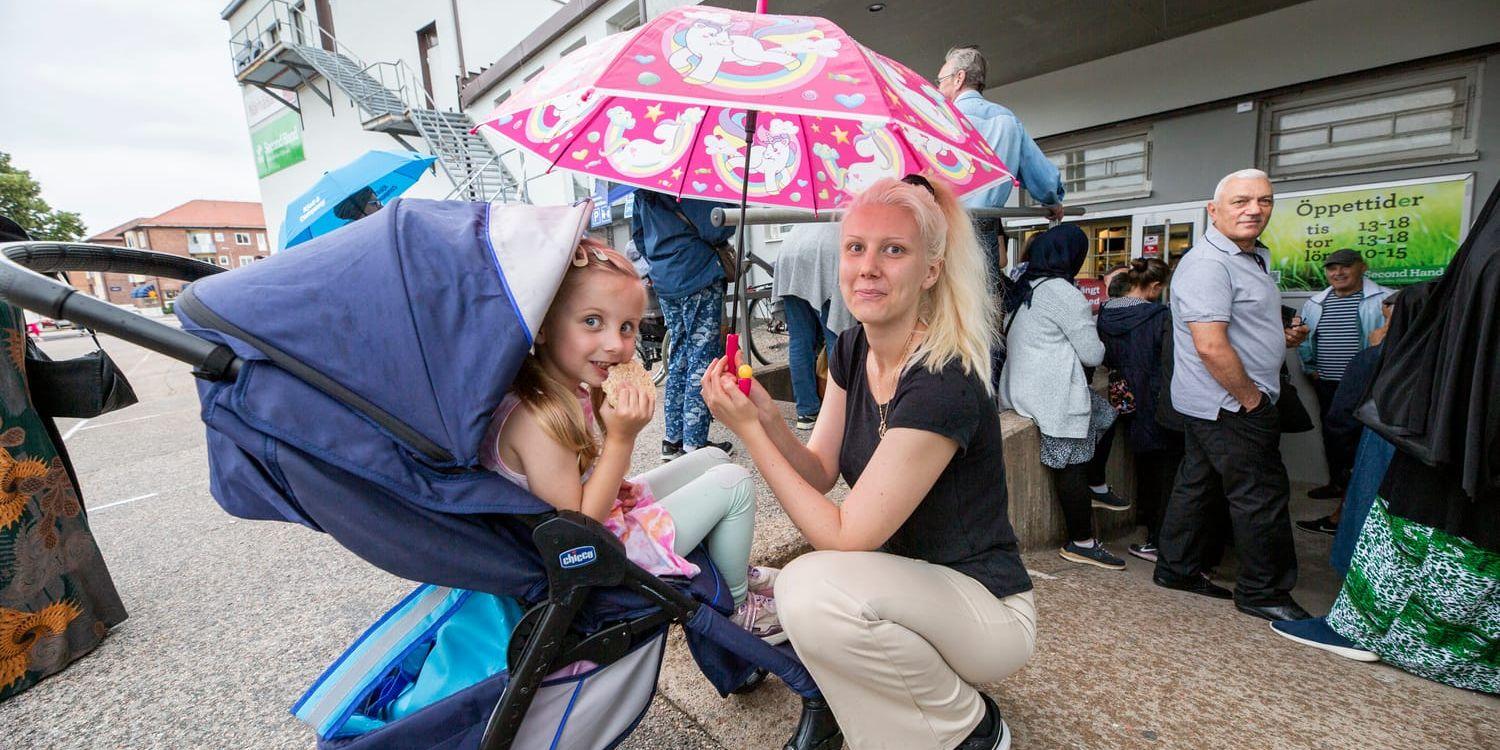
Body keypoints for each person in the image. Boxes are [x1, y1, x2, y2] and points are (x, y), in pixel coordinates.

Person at [700, 176, 1034, 750]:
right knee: (802, 594)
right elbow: (820, 470)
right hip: (905, 586)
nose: (868, 266)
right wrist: (767, 415)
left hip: (984, 606)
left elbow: (845, 535)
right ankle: (857, 714)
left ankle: (971, 727)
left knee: (809, 586)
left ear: (930, 270)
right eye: (855, 247)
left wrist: (751, 436)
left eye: (894, 250)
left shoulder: (942, 380)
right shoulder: (854, 346)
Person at [480, 238, 780, 640]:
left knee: (711, 459)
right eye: (592, 322)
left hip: (595, 524)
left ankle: (731, 566)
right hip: (594, 559)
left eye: (626, 327)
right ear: (544, 326)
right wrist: (621, 440)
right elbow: (581, 532)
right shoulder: (538, 419)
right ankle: (738, 609)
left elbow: (570, 494)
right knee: (735, 485)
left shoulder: (563, 389)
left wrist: (602, 476)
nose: (615, 345)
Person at [1153, 168, 1312, 622]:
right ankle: (1263, 591)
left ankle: (1176, 568)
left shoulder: (1250, 257)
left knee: (1197, 486)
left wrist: (1279, 340)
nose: (1254, 209)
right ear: (1213, 210)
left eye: (1263, 201)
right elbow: (1209, 344)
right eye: (1241, 201)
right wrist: (1252, 401)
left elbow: (1237, 331)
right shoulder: (1209, 263)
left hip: (1216, 402)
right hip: (1229, 404)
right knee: (1261, 495)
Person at [999, 224, 1129, 570]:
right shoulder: (1063, 292)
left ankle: (1098, 487)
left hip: (1020, 388)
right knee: (1070, 460)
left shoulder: (1028, 284)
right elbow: (1092, 355)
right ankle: (1082, 542)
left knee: (1105, 414)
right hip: (1050, 394)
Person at [937, 45, 1064, 382]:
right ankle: (984, 394)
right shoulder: (1006, 120)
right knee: (982, 314)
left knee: (937, 312)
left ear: (959, 78)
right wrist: (1053, 199)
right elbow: (1043, 177)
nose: (938, 87)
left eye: (941, 80)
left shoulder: (936, 117)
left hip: (939, 224)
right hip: (982, 225)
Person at [631, 190, 736, 460]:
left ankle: (672, 439)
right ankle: (694, 444)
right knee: (701, 356)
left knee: (678, 356)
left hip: (665, 281)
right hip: (696, 274)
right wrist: (731, 207)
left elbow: (640, 239)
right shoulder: (692, 184)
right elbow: (715, 228)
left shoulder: (643, 190)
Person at [1296, 292, 1399, 537]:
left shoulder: (1374, 356)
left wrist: (1377, 351)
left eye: (1387, 317)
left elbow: (1340, 422)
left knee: (1362, 472)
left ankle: (1342, 522)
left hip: (1377, 435)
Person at [1296, 249, 1394, 501]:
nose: (1337, 273)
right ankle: (1337, 485)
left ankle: (1361, 496)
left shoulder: (1383, 299)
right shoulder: (1315, 302)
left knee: (1362, 437)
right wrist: (1310, 368)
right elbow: (1304, 338)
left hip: (1365, 384)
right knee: (1333, 434)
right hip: (1326, 381)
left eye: (1345, 267)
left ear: (1362, 267)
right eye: (1332, 268)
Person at [1097, 258, 1178, 562]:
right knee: (1165, 474)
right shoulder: (1159, 316)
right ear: (1155, 286)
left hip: (1124, 397)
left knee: (1145, 470)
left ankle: (1151, 533)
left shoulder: (1106, 312)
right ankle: (1159, 540)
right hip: (1156, 399)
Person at [773, 222, 856, 430]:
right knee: (836, 336)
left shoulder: (811, 209)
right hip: (825, 257)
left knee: (799, 340)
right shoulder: (849, 210)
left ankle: (806, 412)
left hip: (790, 254)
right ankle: (839, 412)